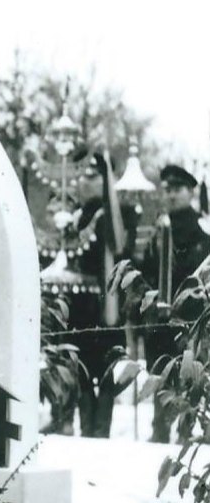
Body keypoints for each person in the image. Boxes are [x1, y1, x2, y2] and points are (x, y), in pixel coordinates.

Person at [64, 152, 139, 438]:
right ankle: (87, 434)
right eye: (81, 174)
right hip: (78, 311)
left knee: (108, 380)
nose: (84, 181)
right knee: (81, 378)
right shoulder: (73, 219)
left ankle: (101, 435)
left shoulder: (113, 218)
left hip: (105, 310)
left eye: (93, 175)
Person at [142, 164, 210, 441]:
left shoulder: (202, 232)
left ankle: (186, 431)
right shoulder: (159, 230)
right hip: (161, 318)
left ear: (191, 192)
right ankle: (160, 428)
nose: (171, 196)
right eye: (167, 190)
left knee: (189, 375)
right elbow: (146, 271)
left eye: (178, 190)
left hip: (192, 319)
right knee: (160, 372)